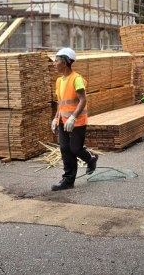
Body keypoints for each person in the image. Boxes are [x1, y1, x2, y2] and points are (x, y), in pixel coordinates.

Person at [50, 48, 97, 191]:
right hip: (63, 121)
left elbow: (83, 100)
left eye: (56, 60)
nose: (54, 63)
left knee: (75, 148)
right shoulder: (59, 81)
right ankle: (68, 180)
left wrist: (73, 117)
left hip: (77, 121)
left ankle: (91, 159)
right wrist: (56, 118)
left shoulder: (76, 79)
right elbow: (61, 102)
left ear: (64, 62)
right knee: (65, 149)